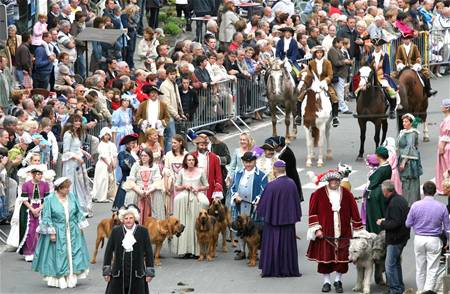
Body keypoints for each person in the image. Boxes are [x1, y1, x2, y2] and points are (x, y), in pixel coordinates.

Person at [306, 171, 363, 293]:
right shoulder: (319, 194)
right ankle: (326, 282)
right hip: (325, 232)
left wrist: (358, 230)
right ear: (328, 181)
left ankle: (338, 280)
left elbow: (355, 212)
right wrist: (317, 229)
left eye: (337, 181)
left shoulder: (347, 194)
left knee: (342, 260)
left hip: (344, 232)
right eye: (333, 180)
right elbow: (312, 212)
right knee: (325, 258)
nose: (335, 183)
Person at [32, 177, 90, 289]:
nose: (68, 190)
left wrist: (81, 225)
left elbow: (78, 211)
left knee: (73, 252)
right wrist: (52, 232)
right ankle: (60, 277)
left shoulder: (71, 196)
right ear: (59, 188)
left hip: (72, 229)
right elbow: (47, 216)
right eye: (66, 188)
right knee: (59, 254)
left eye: (68, 187)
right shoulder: (50, 199)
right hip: (58, 230)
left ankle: (71, 276)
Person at [258, 160, 301, 277]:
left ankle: (272, 269)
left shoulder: (271, 185)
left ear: (275, 171)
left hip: (273, 223)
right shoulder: (292, 184)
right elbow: (296, 202)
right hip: (288, 223)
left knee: (272, 245)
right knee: (287, 246)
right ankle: (288, 268)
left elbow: (263, 205)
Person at [406, 181, 450, 292]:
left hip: (419, 238)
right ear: (435, 192)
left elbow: (408, 223)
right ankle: (427, 291)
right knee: (432, 269)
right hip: (434, 239)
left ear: (423, 192)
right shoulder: (441, 207)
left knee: (420, 268)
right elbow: (447, 228)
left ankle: (421, 290)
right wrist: (448, 240)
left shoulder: (415, 205)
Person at [103, 204, 155, 294]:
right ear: (122, 220)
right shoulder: (116, 231)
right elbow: (108, 251)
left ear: (135, 218)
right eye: (126, 218)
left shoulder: (143, 231)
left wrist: (149, 271)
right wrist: (107, 271)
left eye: (131, 218)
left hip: (137, 273)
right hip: (118, 273)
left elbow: (149, 252)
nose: (128, 220)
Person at [230, 151, 268, 260]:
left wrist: (257, 200)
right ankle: (242, 251)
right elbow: (233, 187)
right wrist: (235, 195)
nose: (248, 164)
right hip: (240, 206)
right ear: (242, 162)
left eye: (250, 162)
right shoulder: (238, 173)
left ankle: (254, 253)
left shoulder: (261, 175)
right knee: (240, 229)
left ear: (255, 161)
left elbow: (264, 190)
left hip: (254, 208)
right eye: (246, 162)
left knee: (254, 231)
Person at [172, 153, 209, 257]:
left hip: (197, 194)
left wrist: (198, 188)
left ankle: (198, 250)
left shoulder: (201, 171)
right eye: (189, 160)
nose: (191, 162)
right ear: (185, 162)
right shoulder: (182, 172)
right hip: (185, 195)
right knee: (177, 200)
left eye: (192, 160)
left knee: (204, 202)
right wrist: (184, 186)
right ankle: (185, 249)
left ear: (195, 161)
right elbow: (176, 187)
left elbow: (207, 186)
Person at [376, 180, 410, 294]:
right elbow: (398, 219)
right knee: (395, 264)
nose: (382, 193)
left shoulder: (394, 203)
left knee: (389, 265)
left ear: (386, 191)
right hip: (402, 237)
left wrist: (382, 223)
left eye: (382, 191)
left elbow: (395, 223)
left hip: (395, 238)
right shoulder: (400, 199)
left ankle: (395, 290)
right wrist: (386, 220)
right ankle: (398, 287)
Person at [298, 45, 340, 127]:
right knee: (300, 96)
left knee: (334, 96)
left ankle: (335, 117)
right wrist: (300, 74)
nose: (319, 54)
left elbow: (330, 75)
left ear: (323, 53)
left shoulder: (327, 62)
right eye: (317, 53)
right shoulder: (311, 63)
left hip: (325, 83)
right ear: (315, 54)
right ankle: (298, 116)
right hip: (313, 83)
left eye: (321, 52)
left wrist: (325, 81)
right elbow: (306, 72)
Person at [17, 166, 50, 261]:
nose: (40, 176)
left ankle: (39, 252)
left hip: (41, 208)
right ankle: (29, 252)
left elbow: (47, 200)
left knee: (40, 230)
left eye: (41, 174)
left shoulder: (45, 184)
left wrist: (39, 209)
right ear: (32, 174)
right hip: (28, 209)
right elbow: (24, 200)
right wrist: (32, 209)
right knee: (30, 231)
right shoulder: (26, 185)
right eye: (38, 174)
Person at [61, 115, 92, 217]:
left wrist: (85, 153)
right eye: (76, 121)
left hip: (78, 164)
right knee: (72, 185)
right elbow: (66, 152)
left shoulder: (75, 134)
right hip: (70, 164)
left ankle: (80, 207)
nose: (78, 123)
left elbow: (76, 148)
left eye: (79, 121)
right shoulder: (68, 134)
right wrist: (77, 157)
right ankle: (72, 209)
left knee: (80, 185)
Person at [123, 148, 164, 223]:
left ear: (150, 157)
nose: (143, 157)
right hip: (138, 189)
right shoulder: (136, 165)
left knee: (157, 193)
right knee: (131, 194)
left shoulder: (154, 167)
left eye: (145, 156)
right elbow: (131, 180)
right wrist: (139, 191)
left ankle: (154, 224)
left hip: (150, 189)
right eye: (142, 155)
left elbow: (157, 181)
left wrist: (149, 191)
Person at [394, 32, 437, 97]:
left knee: (425, 73)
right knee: (394, 76)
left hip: (413, 66)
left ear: (410, 39)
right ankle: (395, 92)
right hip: (403, 67)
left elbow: (418, 57)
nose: (406, 40)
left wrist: (416, 64)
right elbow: (398, 58)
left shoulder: (414, 47)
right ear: (402, 40)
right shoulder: (400, 47)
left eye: (408, 39)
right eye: (405, 39)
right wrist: (400, 64)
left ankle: (428, 89)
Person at [366, 38, 401, 119]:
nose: (377, 47)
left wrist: (385, 75)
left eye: (379, 46)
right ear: (374, 46)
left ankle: (392, 110)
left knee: (390, 91)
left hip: (382, 76)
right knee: (362, 88)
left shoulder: (385, 55)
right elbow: (367, 66)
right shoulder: (371, 56)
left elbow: (387, 68)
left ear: (381, 46)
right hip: (372, 76)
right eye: (376, 46)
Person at [265, 136, 304, 202]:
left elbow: (277, 167)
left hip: (289, 179)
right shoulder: (283, 151)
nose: (273, 149)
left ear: (280, 147)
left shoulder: (286, 154)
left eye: (275, 147)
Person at [398, 113, 423, 206]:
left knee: (410, 182)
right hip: (403, 157)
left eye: (406, 121)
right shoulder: (404, 131)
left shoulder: (412, 133)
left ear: (411, 123)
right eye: (403, 121)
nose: (404, 123)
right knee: (405, 183)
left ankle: (411, 202)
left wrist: (403, 162)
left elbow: (410, 148)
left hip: (409, 161)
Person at [365, 146, 392, 234]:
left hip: (376, 194)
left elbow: (373, 183)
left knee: (375, 215)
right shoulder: (388, 166)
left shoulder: (381, 170)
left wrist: (367, 193)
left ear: (379, 156)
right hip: (384, 190)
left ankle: (375, 233)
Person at [191, 134, 223, 202]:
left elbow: (218, 176)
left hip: (209, 188)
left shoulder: (214, 157)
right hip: (195, 187)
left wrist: (217, 190)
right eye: (201, 145)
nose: (204, 147)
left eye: (205, 145)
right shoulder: (191, 156)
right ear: (197, 145)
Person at [113, 134, 139, 210]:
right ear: (127, 145)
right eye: (133, 143)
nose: (135, 145)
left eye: (136, 143)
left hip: (138, 182)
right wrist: (133, 155)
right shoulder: (122, 154)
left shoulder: (140, 154)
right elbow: (124, 167)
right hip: (126, 181)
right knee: (123, 207)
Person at [163, 134, 188, 216]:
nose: (172, 144)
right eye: (172, 143)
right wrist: (166, 186)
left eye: (175, 143)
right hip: (172, 184)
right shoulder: (168, 154)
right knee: (171, 207)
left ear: (180, 143)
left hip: (183, 184)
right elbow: (166, 170)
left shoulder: (186, 155)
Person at [91, 127, 117, 203]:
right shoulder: (101, 144)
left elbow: (114, 155)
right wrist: (108, 165)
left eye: (108, 135)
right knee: (102, 180)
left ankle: (110, 195)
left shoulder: (112, 145)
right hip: (103, 164)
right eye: (105, 135)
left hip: (111, 163)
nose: (107, 137)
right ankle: (100, 196)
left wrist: (114, 164)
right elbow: (102, 156)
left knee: (111, 180)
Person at [436, 99, 450, 194]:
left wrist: (441, 147)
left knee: (446, 166)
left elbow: (446, 135)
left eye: (443, 106)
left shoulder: (448, 120)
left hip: (446, 146)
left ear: (447, 108)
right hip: (445, 144)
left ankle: (446, 186)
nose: (441, 107)